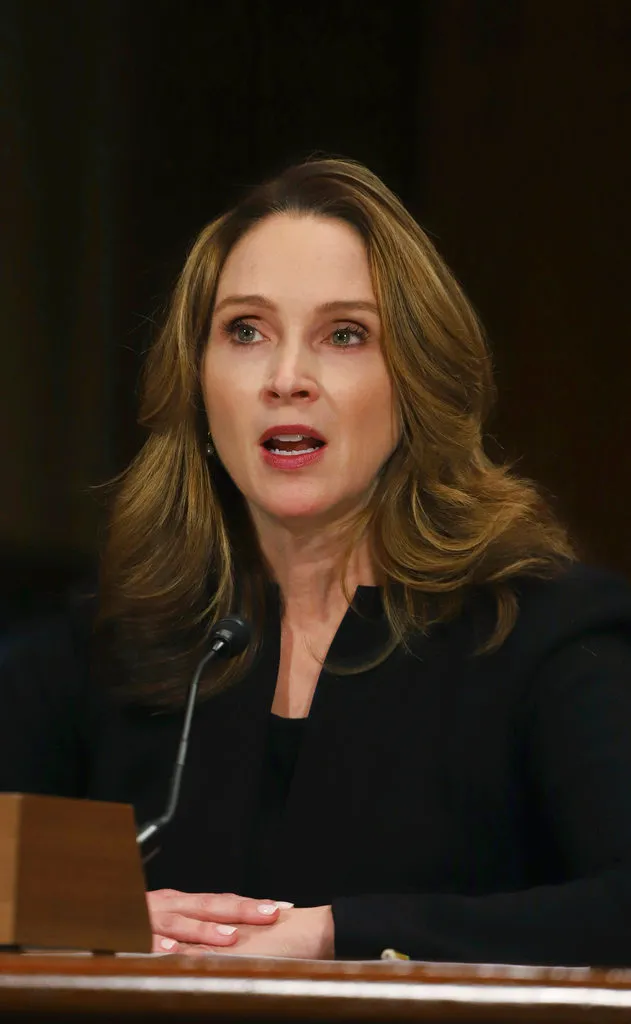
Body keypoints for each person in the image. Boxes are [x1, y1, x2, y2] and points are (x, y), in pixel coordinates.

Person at [2, 157, 631, 965]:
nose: (286, 378)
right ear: (196, 383)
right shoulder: (105, 648)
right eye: (245, 331)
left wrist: (333, 935)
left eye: (344, 335)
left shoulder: (543, 637)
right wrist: (93, 921)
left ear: (416, 383)